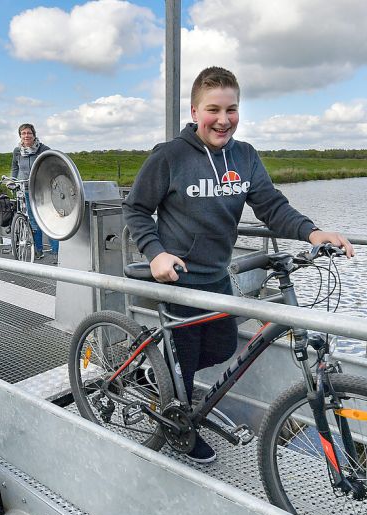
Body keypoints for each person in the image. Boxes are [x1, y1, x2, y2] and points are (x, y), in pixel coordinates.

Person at [122, 66, 354, 464]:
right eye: (213, 109)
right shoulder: (170, 156)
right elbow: (136, 209)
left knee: (224, 347)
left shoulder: (244, 156)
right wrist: (155, 252)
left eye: (232, 109)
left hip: (217, 277)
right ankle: (178, 424)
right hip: (178, 278)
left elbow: (272, 207)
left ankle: (160, 373)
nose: (224, 119)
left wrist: (313, 233)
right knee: (188, 361)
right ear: (195, 112)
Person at [10, 123, 59, 260]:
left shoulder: (43, 149)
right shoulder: (17, 151)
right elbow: (15, 168)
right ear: (20, 135)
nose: (26, 136)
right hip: (25, 189)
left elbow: (52, 166)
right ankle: (38, 250)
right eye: (23, 133)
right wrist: (12, 180)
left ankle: (56, 252)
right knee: (33, 221)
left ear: (34, 134)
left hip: (42, 190)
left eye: (29, 133)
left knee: (48, 218)